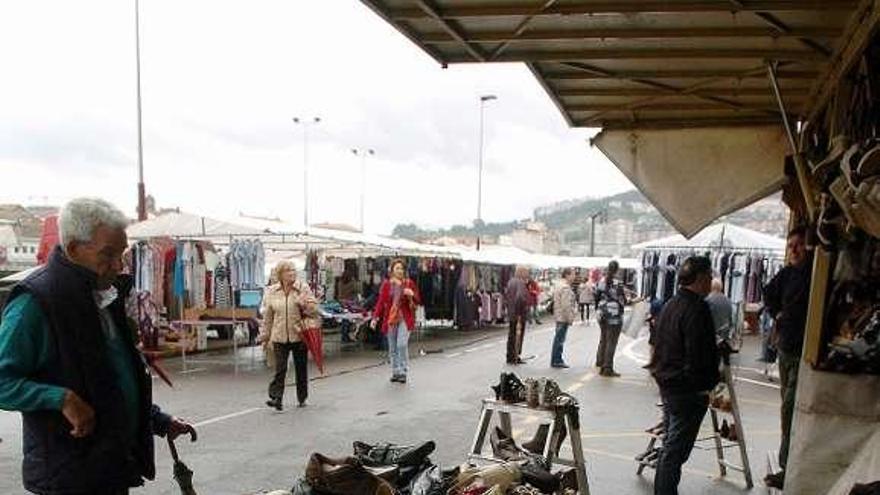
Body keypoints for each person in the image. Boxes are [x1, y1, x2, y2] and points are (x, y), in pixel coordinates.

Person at [0, 197, 196, 495]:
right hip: (68, 478)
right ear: (74, 248)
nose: (118, 266)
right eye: (108, 254)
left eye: (121, 254)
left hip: (109, 469)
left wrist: (157, 419)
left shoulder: (104, 296)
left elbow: (109, 378)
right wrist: (61, 399)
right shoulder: (36, 303)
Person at [649, 256, 720, 495]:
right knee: (675, 451)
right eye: (710, 276)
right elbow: (698, 353)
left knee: (671, 447)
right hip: (687, 390)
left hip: (670, 385)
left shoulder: (671, 304)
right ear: (700, 278)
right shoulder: (697, 308)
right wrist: (704, 385)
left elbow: (658, 344)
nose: (712, 280)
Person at [762, 227, 812, 490]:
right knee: (787, 406)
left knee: (791, 407)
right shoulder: (788, 273)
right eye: (790, 245)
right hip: (787, 349)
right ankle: (787, 463)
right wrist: (776, 313)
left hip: (804, 352)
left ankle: (787, 465)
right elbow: (768, 292)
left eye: (798, 245)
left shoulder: (814, 274)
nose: (793, 250)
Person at [260, 260, 318, 411]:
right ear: (281, 274)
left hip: (299, 335)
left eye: (293, 270)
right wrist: (265, 337)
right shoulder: (271, 291)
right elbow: (268, 317)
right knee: (281, 368)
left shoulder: (302, 288)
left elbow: (314, 310)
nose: (292, 273)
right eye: (288, 271)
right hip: (279, 336)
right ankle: (277, 398)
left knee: (301, 368)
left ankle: (302, 396)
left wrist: (304, 304)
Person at [371, 259, 421, 383]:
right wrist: (375, 318)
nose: (399, 270)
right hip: (391, 318)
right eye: (397, 268)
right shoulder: (387, 285)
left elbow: (418, 300)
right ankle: (395, 371)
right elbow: (381, 303)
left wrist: (412, 294)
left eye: (401, 268)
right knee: (392, 347)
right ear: (392, 270)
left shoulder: (409, 283)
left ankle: (403, 370)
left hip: (405, 318)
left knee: (401, 344)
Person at [595, 260, 627, 377]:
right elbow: (622, 300)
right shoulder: (618, 283)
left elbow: (597, 296)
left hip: (602, 313)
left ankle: (600, 361)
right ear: (617, 269)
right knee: (611, 341)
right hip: (614, 315)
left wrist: (599, 308)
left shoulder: (602, 280)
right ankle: (607, 367)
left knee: (603, 338)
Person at [551, 267, 577, 368]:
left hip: (559, 315)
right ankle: (557, 360)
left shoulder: (559, 285)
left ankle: (556, 359)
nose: (574, 277)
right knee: (560, 339)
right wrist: (570, 318)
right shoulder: (565, 287)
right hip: (563, 317)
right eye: (573, 274)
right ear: (567, 275)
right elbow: (566, 305)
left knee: (558, 338)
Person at [505, 265, 530, 365]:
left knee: (511, 334)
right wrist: (521, 310)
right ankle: (515, 355)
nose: (527, 274)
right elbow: (520, 297)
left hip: (511, 312)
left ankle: (510, 355)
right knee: (518, 335)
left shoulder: (511, 281)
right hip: (518, 313)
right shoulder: (520, 283)